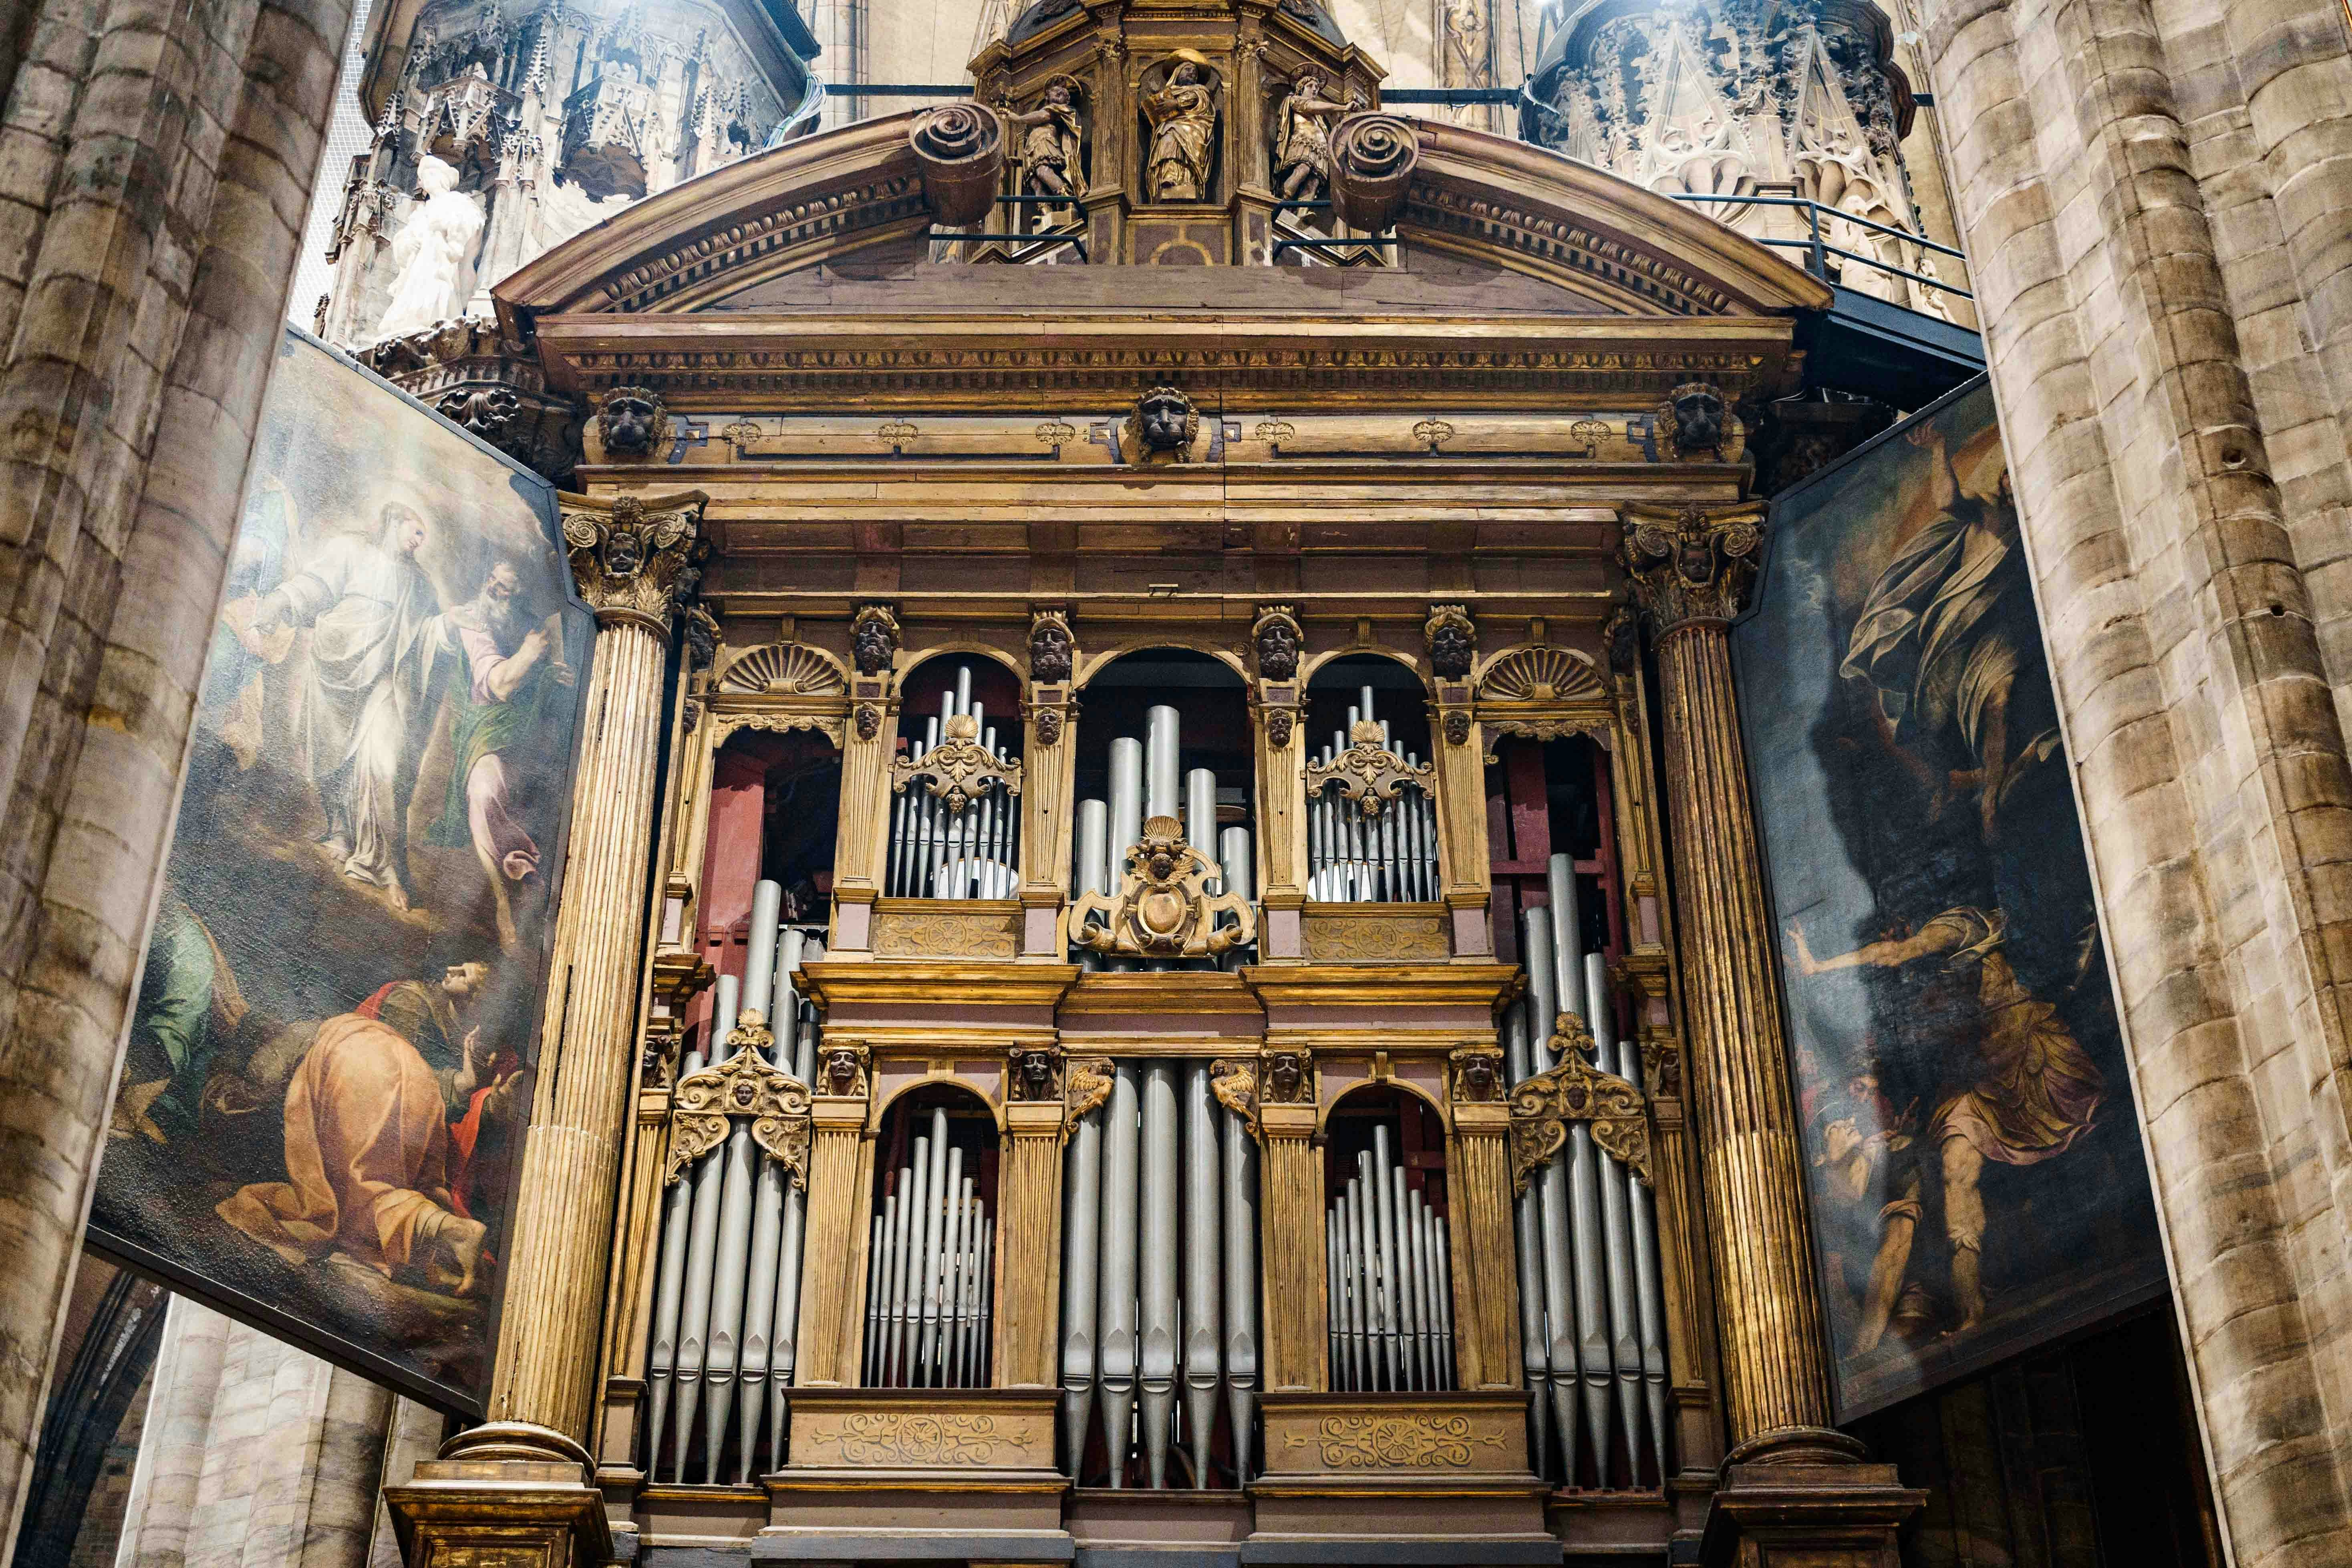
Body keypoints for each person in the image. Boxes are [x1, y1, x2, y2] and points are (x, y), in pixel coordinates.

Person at [1788, 909, 2105, 1331]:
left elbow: (1895, 953)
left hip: (2027, 1053)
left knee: (2087, 1141)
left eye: (1896, 929)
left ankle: (2110, 1236)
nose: (1895, 938)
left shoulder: (1956, 928)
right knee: (1957, 1170)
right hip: (1973, 1078)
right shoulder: (1914, 991)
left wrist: (1819, 965)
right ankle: (1970, 1306)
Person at [1838, 419, 2056, 848]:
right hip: (1954, 629)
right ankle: (1941, 784)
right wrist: (1938, 447)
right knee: (1932, 719)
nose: (2015, 481)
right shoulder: (1990, 514)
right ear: (2002, 478)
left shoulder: (2044, 528)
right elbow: (1946, 498)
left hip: (1998, 635)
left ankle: (1990, 800)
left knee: (1999, 702)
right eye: (2008, 473)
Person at [251, 502, 445, 910]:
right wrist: (279, 602)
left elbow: (431, 632)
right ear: (394, 521)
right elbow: (314, 586)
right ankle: (340, 830)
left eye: (423, 537)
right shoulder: (351, 552)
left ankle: (382, 863)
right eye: (416, 531)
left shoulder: (420, 585)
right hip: (336, 665)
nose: (417, 543)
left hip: (387, 679)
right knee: (334, 754)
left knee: (381, 761)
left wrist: (450, 631)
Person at [427, 562, 573, 950]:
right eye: (491, 581)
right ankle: (501, 899)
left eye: (505, 588)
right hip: (489, 728)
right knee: (482, 791)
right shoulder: (476, 621)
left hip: (536, 733)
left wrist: (554, 678)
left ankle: (530, 879)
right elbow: (499, 686)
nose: (493, 590)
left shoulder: (536, 625)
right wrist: (528, 655)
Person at [1143, 53, 1218, 201]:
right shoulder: (1169, 92)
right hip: (1170, 126)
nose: (1192, 74)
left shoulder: (1200, 90)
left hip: (1194, 127)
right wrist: (1153, 98)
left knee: (1175, 131)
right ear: (1178, 73)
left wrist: (1177, 104)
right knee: (1166, 135)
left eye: (1195, 72)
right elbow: (1155, 112)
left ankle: (1187, 180)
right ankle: (1168, 178)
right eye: (1188, 70)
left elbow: (1198, 100)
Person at [1005, 77, 1085, 212]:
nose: (1060, 96)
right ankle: (1046, 214)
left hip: (1046, 142)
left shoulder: (1060, 110)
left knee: (1044, 172)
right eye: (1057, 93)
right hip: (1034, 148)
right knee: (1036, 183)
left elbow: (1043, 117)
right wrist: (1021, 162)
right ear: (1048, 97)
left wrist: (1018, 119)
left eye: (1063, 95)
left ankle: (1069, 201)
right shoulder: (1050, 109)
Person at [1271, 73, 1349, 203]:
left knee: (1314, 182)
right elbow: (1311, 107)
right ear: (1301, 88)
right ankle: (1282, 202)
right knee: (1303, 170)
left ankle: (1302, 216)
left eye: (1317, 87)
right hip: (1304, 143)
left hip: (1320, 151)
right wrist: (1344, 108)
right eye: (1310, 86)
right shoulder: (1294, 100)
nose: (1315, 89)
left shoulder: (1320, 118)